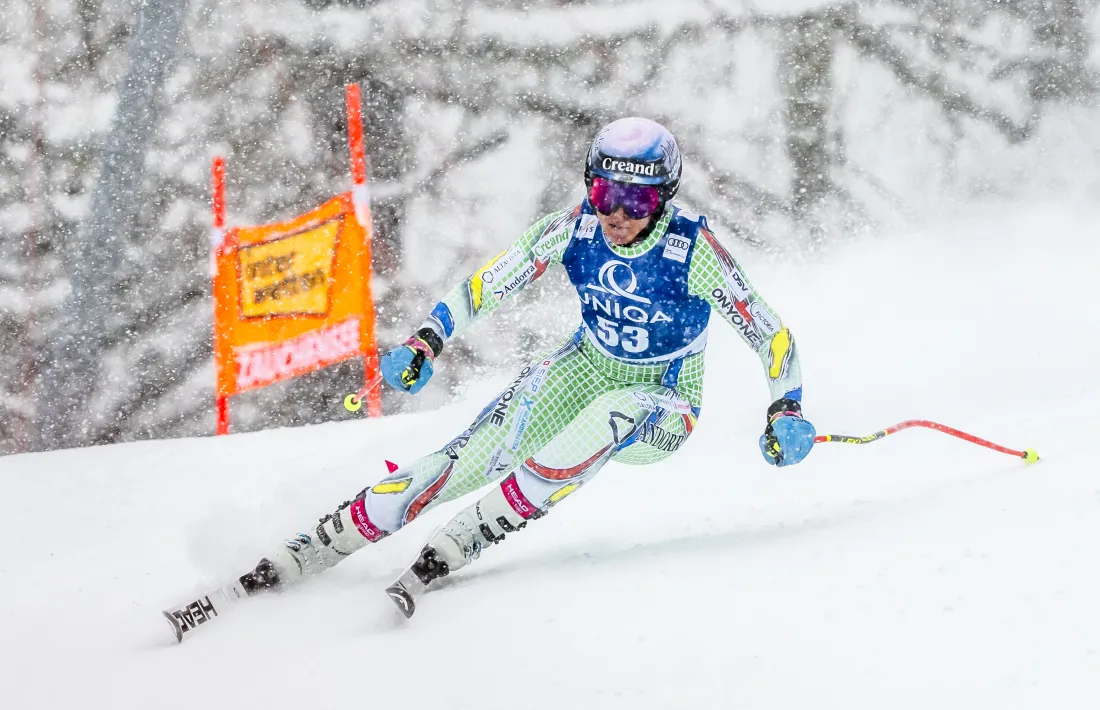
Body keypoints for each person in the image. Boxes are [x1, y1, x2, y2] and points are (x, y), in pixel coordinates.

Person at [237, 117, 816, 614]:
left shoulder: (690, 250)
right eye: (603, 194)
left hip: (665, 398)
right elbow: (491, 284)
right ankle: (313, 547)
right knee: (464, 459)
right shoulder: (575, 229)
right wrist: (426, 341)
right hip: (585, 366)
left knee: (610, 415)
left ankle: (469, 534)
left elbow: (770, 332)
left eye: (635, 200)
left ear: (662, 198)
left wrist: (784, 406)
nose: (617, 214)